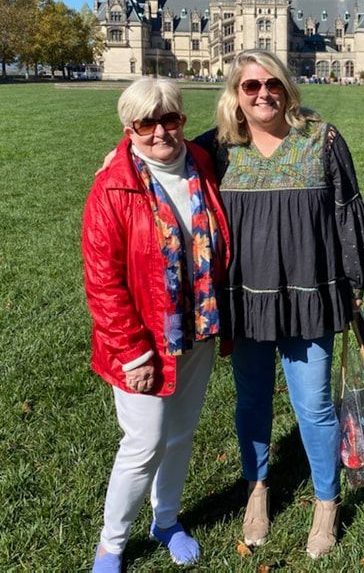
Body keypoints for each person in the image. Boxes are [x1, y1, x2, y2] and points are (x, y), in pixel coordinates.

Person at [199, 50, 364, 559]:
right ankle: (257, 491)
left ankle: (326, 501)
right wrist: (116, 155)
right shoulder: (218, 149)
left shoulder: (322, 140)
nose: (262, 94)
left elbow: (347, 212)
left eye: (271, 83)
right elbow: (156, 156)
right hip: (245, 299)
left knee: (315, 405)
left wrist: (355, 284)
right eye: (250, 86)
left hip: (310, 294)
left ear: (287, 87)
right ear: (235, 94)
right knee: (251, 401)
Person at [83, 78, 231, 572]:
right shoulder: (114, 186)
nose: (160, 132)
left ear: (183, 121)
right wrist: (133, 352)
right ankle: (112, 543)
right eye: (146, 123)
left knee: (181, 435)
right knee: (144, 443)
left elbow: (249, 127)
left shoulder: (203, 163)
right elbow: (103, 283)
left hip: (198, 328)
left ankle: (165, 520)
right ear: (129, 129)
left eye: (171, 119)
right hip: (144, 341)